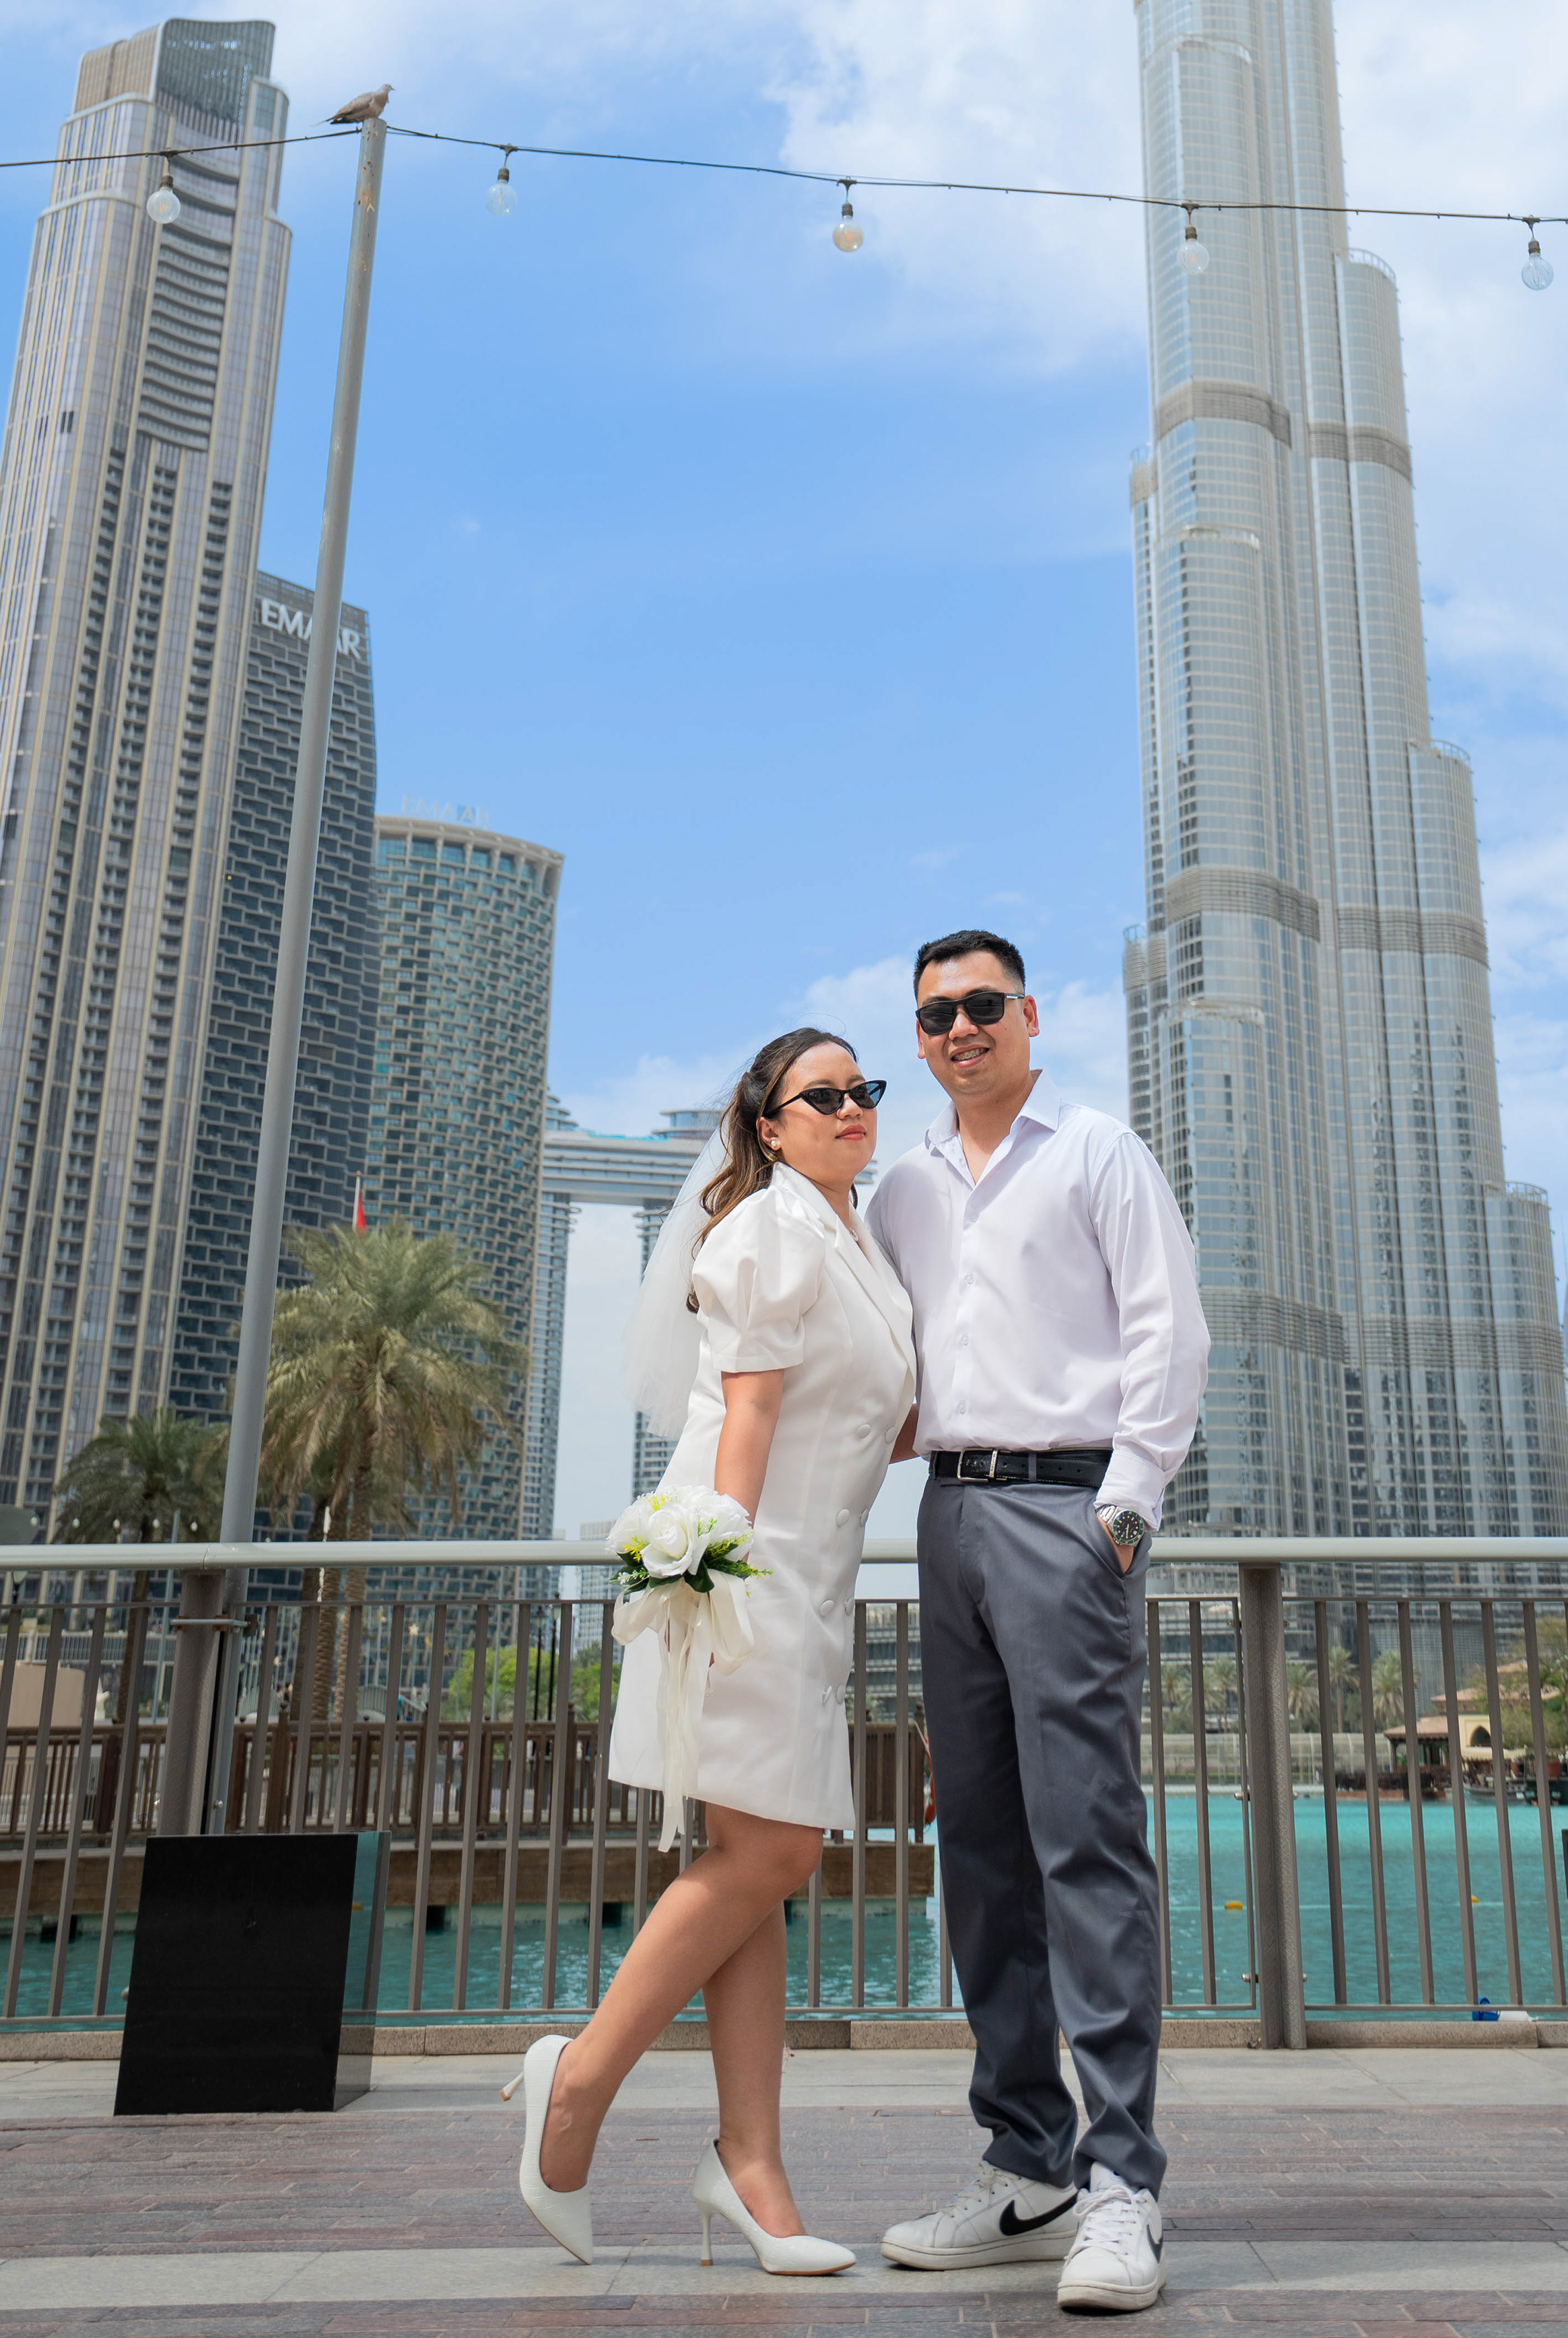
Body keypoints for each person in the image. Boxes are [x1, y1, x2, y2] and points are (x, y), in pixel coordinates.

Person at [504, 1027, 916, 2275]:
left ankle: (750, 2168)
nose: (850, 1107)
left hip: (813, 1579)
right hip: (746, 1576)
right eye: (820, 1095)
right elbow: (750, 1410)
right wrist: (717, 1565)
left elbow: (871, 1425)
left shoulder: (858, 1244)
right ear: (770, 1126)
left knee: (756, 1859)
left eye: (862, 1089)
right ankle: (577, 2081)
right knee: (774, 1852)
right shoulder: (766, 1230)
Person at [867, 929, 1208, 2316]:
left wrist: (1123, 1512)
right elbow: (875, 1352)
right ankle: (1027, 2166)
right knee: (982, 1852)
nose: (961, 1027)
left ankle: (1124, 2183)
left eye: (983, 1004)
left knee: (1087, 1845)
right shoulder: (902, 1186)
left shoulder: (1099, 1154)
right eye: (936, 1013)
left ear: (1029, 1015)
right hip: (946, 1516)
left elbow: (1169, 1331)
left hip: (1066, 1510)